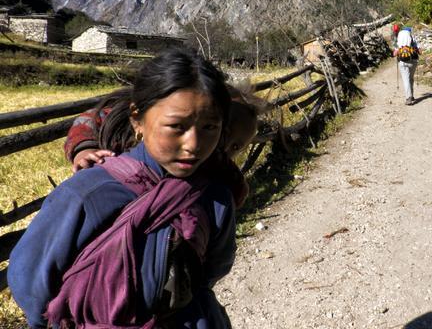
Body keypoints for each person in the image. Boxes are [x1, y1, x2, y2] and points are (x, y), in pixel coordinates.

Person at [9, 48, 237, 328]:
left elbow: (212, 270)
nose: (193, 144)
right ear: (136, 119)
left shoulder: (215, 197)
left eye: (210, 127)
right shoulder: (89, 194)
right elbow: (30, 282)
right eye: (176, 126)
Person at [64, 84, 266, 208]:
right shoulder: (140, 120)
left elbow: (237, 193)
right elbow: (90, 120)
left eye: (236, 147)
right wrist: (85, 150)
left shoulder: (218, 165)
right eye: (223, 134)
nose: (225, 148)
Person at [393, 24, 420, 105]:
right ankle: (411, 96)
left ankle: (408, 98)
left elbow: (394, 54)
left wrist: (398, 51)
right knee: (411, 78)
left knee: (406, 79)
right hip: (413, 62)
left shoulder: (398, 41)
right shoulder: (413, 39)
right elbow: (420, 52)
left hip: (403, 62)